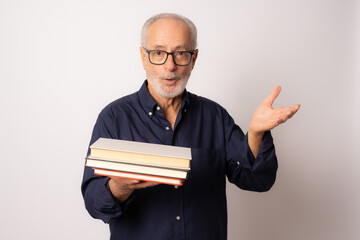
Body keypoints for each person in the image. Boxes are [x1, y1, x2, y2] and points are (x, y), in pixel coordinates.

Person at [81, 13, 300, 240]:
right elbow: (93, 204)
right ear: (143, 57)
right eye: (158, 53)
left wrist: (256, 133)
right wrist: (120, 187)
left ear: (193, 59)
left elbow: (256, 180)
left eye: (180, 54)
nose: (170, 65)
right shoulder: (114, 118)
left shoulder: (215, 116)